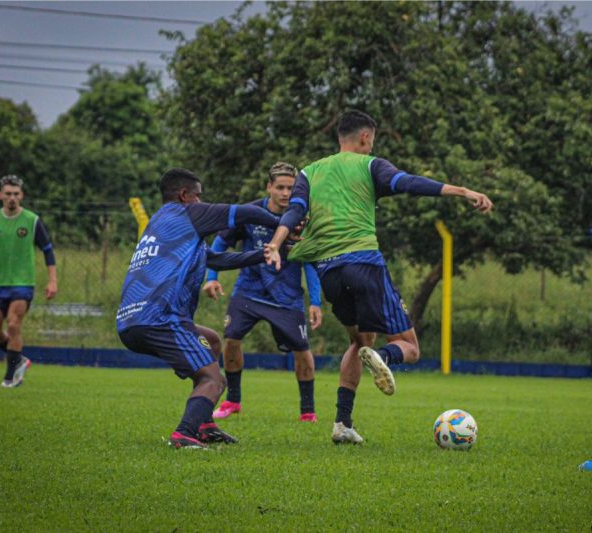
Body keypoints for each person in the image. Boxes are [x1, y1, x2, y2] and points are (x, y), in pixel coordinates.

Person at [264, 110, 493, 444]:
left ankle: (342, 423)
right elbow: (408, 183)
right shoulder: (370, 165)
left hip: (329, 272)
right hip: (364, 266)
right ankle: (384, 358)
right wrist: (462, 191)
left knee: (359, 341)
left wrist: (275, 243)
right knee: (410, 347)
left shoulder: (310, 172)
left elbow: (295, 210)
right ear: (365, 138)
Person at [116, 168, 285, 449]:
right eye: (199, 196)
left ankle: (204, 424)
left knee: (213, 341)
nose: (202, 202)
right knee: (213, 379)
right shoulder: (187, 214)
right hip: (159, 317)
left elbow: (217, 260)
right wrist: (281, 225)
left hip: (131, 320)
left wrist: (262, 254)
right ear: (184, 195)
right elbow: (244, 213)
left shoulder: (161, 225)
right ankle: (184, 433)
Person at [203, 162, 323, 423]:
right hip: (248, 290)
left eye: (291, 188)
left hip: (287, 296)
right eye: (280, 187)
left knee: (302, 350)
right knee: (231, 338)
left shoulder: (302, 218)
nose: (285, 193)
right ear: (269, 187)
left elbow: (310, 262)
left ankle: (308, 411)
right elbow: (222, 241)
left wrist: (315, 301)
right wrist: (212, 277)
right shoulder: (250, 212)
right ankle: (233, 400)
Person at [0, 174, 57, 388]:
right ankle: (19, 359)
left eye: (16, 194)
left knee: (13, 325)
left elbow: (48, 251)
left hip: (22, 283)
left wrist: (52, 281)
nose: (12, 197)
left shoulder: (32, 220)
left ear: (21, 196)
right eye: (8, 194)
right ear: (0, 195)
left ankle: (11, 375)